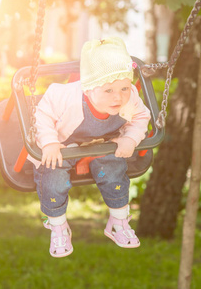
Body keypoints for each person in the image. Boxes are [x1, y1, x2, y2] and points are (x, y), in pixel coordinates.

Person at [29, 37, 151, 257]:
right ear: (89, 89)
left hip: (104, 143)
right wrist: (49, 142)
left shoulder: (129, 97)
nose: (118, 97)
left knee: (115, 169)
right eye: (109, 91)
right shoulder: (63, 96)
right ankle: (58, 225)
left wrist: (130, 139)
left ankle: (119, 221)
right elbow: (42, 114)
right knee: (53, 175)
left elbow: (141, 115)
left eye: (124, 87)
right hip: (63, 144)